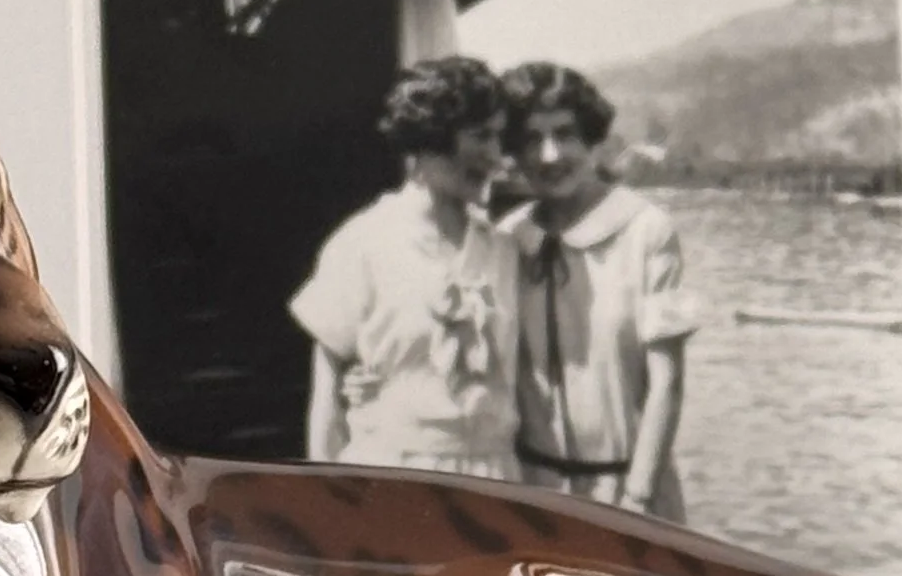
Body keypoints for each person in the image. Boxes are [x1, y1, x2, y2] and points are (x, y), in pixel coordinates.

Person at [288, 54, 521, 478]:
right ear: (427, 140)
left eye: (498, 137)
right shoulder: (362, 244)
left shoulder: (503, 250)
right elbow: (326, 394)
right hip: (394, 476)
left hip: (496, 478)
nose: (496, 155)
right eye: (480, 137)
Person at [499, 61, 693, 520]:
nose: (550, 155)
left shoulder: (646, 232)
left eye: (565, 134)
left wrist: (638, 501)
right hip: (534, 494)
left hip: (631, 492)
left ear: (591, 138)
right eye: (531, 139)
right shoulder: (509, 239)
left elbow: (668, 383)